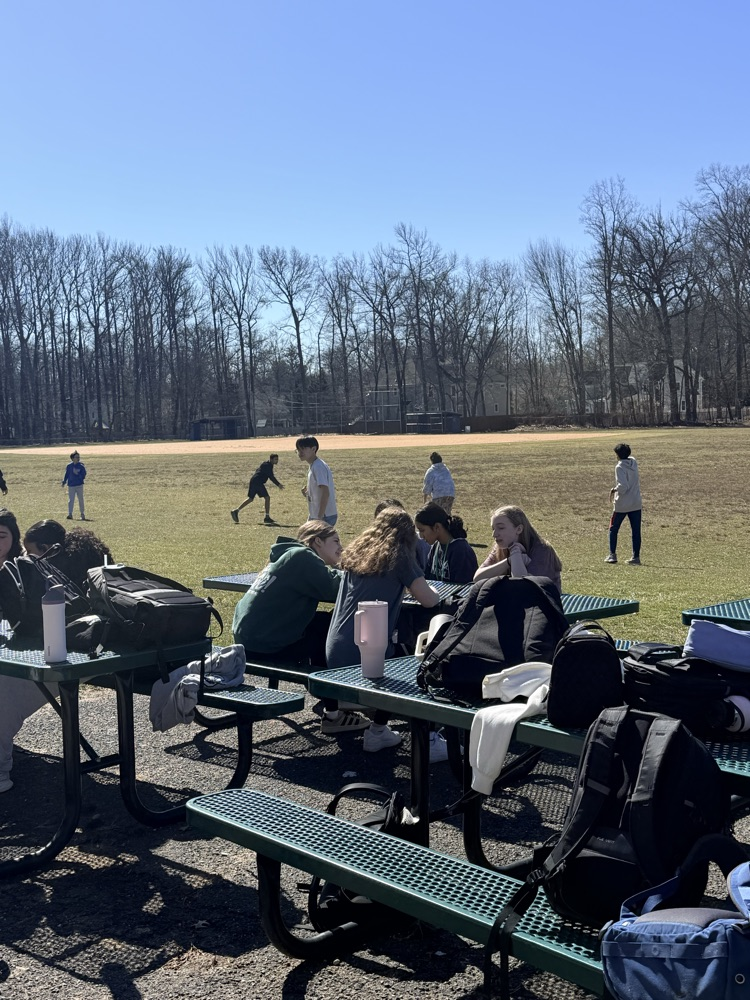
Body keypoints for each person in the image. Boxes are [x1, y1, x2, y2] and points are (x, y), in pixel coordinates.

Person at [0, 519, 112, 793]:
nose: (30, 563)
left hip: (75, 653)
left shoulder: (64, 581)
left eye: (34, 557)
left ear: (51, 551)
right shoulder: (68, 573)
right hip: (68, 648)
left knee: (5, 686)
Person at [233, 520, 371, 736]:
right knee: (328, 629)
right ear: (317, 541)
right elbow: (335, 589)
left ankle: (332, 698)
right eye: (335, 541)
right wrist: (355, 569)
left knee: (321, 623)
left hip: (250, 639)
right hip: (265, 643)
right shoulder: (302, 557)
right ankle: (335, 707)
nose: (340, 548)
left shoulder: (287, 556)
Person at [326, 507, 441, 752]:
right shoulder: (398, 555)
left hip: (335, 648)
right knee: (414, 662)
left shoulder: (357, 553)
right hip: (364, 653)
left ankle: (378, 728)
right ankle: (395, 733)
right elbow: (429, 600)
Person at [473, 505, 562, 593]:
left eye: (501, 528)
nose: (494, 534)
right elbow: (477, 578)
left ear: (519, 529)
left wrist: (515, 553)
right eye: (493, 529)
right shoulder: (501, 547)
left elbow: (522, 586)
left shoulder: (542, 550)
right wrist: (509, 561)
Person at [414, 502, 478, 584]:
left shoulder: (461, 551)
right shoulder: (436, 546)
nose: (421, 536)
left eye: (422, 530)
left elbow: (463, 588)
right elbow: (427, 579)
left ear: (437, 527)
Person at [606, 443, 642, 565]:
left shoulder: (619, 467)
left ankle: (612, 555)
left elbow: (623, 486)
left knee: (613, 528)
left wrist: (614, 489)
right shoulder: (634, 462)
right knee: (636, 530)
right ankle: (636, 557)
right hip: (636, 502)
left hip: (622, 504)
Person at [231, 453, 284, 525]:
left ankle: (236, 511)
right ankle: (267, 517)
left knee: (250, 499)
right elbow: (271, 477)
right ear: (271, 459)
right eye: (275, 459)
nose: (277, 461)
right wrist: (278, 484)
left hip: (254, 481)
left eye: (277, 459)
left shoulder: (266, 464)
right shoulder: (267, 465)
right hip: (257, 482)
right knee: (267, 498)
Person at [296, 435, 337, 526]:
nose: (300, 452)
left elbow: (325, 492)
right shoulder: (314, 465)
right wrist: (308, 493)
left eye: (303, 448)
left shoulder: (318, 467)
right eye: (298, 449)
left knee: (309, 539)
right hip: (317, 515)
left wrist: (319, 517)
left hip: (324, 516)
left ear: (313, 449)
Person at [62, 450, 87, 520]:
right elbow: (66, 474)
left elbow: (84, 474)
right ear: (72, 458)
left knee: (80, 499)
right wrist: (64, 481)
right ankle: (70, 514)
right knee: (71, 500)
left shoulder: (81, 466)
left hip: (79, 485)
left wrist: (79, 476)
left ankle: (82, 514)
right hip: (71, 485)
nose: (78, 458)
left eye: (78, 457)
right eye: (76, 457)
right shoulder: (69, 466)